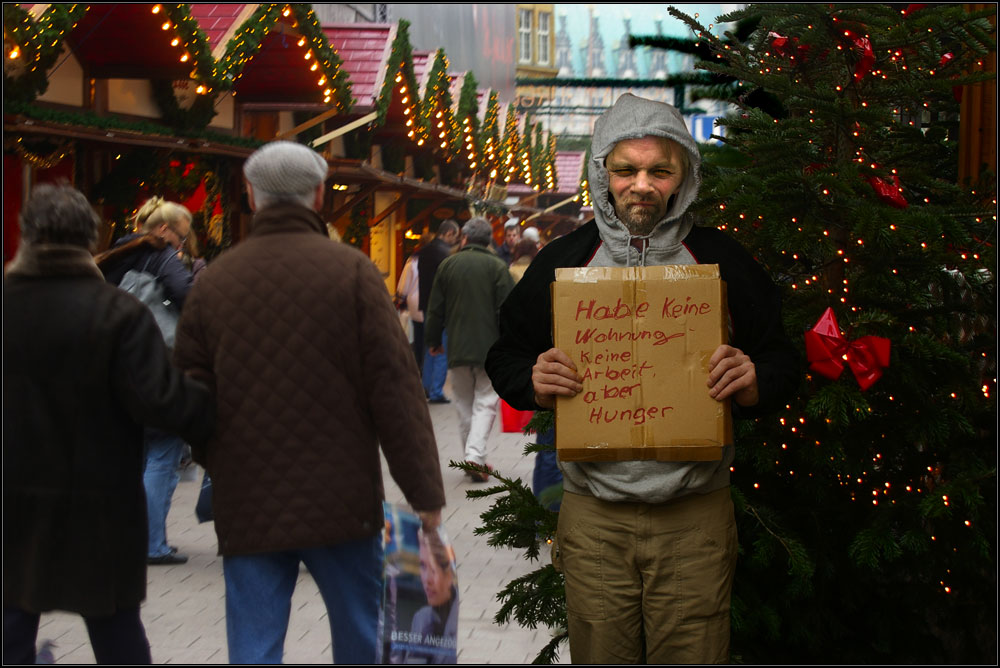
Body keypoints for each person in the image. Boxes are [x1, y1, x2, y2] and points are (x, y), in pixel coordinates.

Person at [484, 93, 799, 663]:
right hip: (595, 515)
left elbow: (782, 356)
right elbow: (505, 355)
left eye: (660, 170)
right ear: (603, 171)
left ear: (683, 176)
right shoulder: (565, 263)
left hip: (694, 515)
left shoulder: (721, 262)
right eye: (626, 169)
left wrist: (753, 381)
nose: (642, 184)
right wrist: (535, 380)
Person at [172, 140, 446, 664]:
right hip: (341, 499)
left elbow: (189, 394)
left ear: (251, 197)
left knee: (253, 645)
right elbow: (395, 390)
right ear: (319, 195)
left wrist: (218, 457)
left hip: (248, 499)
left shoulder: (215, 283)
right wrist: (424, 493)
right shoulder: (353, 273)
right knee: (361, 635)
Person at [3, 183, 214, 665]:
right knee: (116, 630)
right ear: (89, 238)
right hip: (99, 503)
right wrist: (207, 395)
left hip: (10, 502)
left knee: (10, 623)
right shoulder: (116, 314)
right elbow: (162, 402)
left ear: (26, 236)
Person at [95, 197, 195, 566]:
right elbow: (188, 296)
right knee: (163, 450)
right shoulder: (162, 256)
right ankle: (151, 543)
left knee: (132, 455)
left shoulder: (115, 254)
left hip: (117, 365)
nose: (181, 247)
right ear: (163, 230)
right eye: (180, 238)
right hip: (157, 365)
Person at [425, 217, 514, 482]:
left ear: (463, 237)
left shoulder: (448, 265)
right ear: (488, 240)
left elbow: (435, 309)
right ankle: (475, 457)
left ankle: (472, 456)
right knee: (486, 402)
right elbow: (508, 310)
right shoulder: (497, 267)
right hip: (490, 348)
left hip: (458, 347)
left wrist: (433, 341)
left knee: (463, 403)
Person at [414, 220, 460, 403]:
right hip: (441, 308)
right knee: (441, 349)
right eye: (454, 236)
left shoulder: (423, 252)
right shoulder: (445, 254)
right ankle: (436, 391)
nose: (454, 241)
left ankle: (425, 386)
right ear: (448, 233)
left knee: (428, 348)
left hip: (425, 305)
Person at [395, 252, 423, 371]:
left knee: (417, 334)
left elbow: (403, 286)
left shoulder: (411, 263)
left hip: (414, 303)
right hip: (429, 303)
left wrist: (399, 299)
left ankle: (417, 362)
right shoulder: (437, 259)